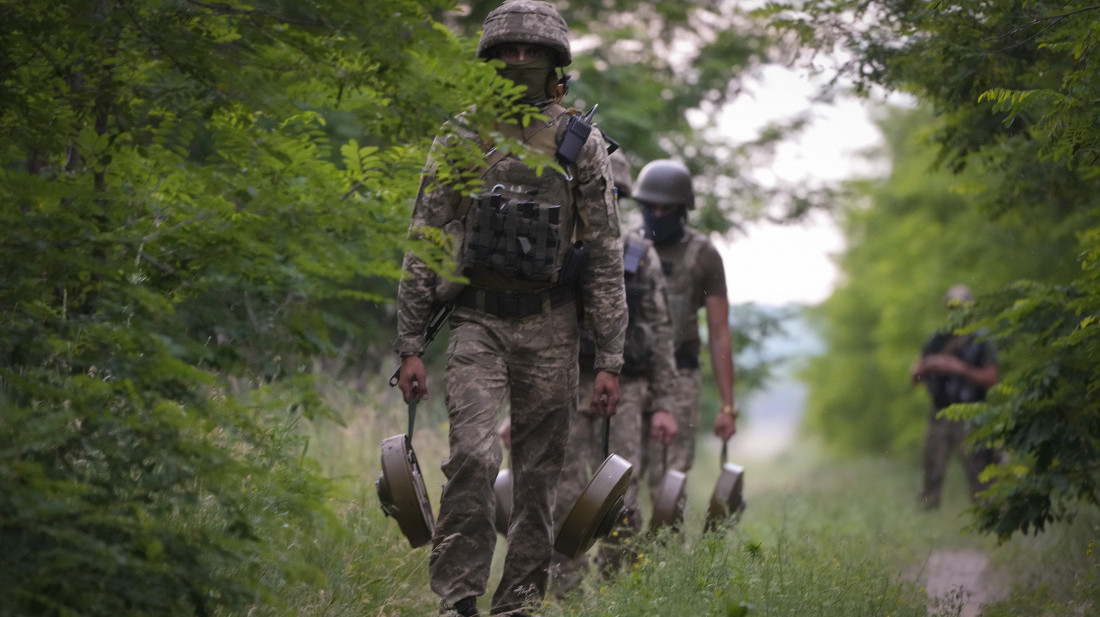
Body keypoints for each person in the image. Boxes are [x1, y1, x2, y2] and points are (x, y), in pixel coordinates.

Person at [393, 1, 628, 615]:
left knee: (539, 478)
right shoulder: (462, 136)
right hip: (478, 322)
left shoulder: (583, 145)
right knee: (472, 455)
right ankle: (459, 598)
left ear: (554, 61)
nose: (519, 59)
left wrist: (610, 358)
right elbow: (425, 238)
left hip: (552, 327)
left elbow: (604, 253)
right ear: (491, 58)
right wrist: (410, 346)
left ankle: (519, 600)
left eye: (531, 51)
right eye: (508, 50)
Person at [500, 150, 679, 596]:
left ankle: (619, 593)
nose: (606, 200)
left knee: (622, 499)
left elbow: (660, 331)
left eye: (614, 194)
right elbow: (524, 333)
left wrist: (664, 406)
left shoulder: (642, 255)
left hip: (627, 391)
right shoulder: (552, 246)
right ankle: (566, 594)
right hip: (564, 384)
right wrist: (514, 408)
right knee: (560, 495)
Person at [631, 159, 738, 497]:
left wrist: (727, 406)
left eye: (667, 208)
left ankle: (665, 548)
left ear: (682, 209)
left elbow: (720, 332)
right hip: (632, 373)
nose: (658, 214)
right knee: (622, 472)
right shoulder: (626, 246)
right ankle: (619, 550)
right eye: (651, 207)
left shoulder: (703, 254)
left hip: (681, 373)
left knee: (670, 477)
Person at [910, 284, 1001, 510]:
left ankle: (987, 515)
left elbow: (991, 378)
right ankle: (927, 516)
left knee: (981, 472)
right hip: (940, 413)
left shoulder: (981, 340)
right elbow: (915, 377)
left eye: (961, 306)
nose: (957, 311)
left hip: (972, 415)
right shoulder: (937, 340)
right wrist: (929, 366)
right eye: (953, 306)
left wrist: (959, 368)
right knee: (931, 469)